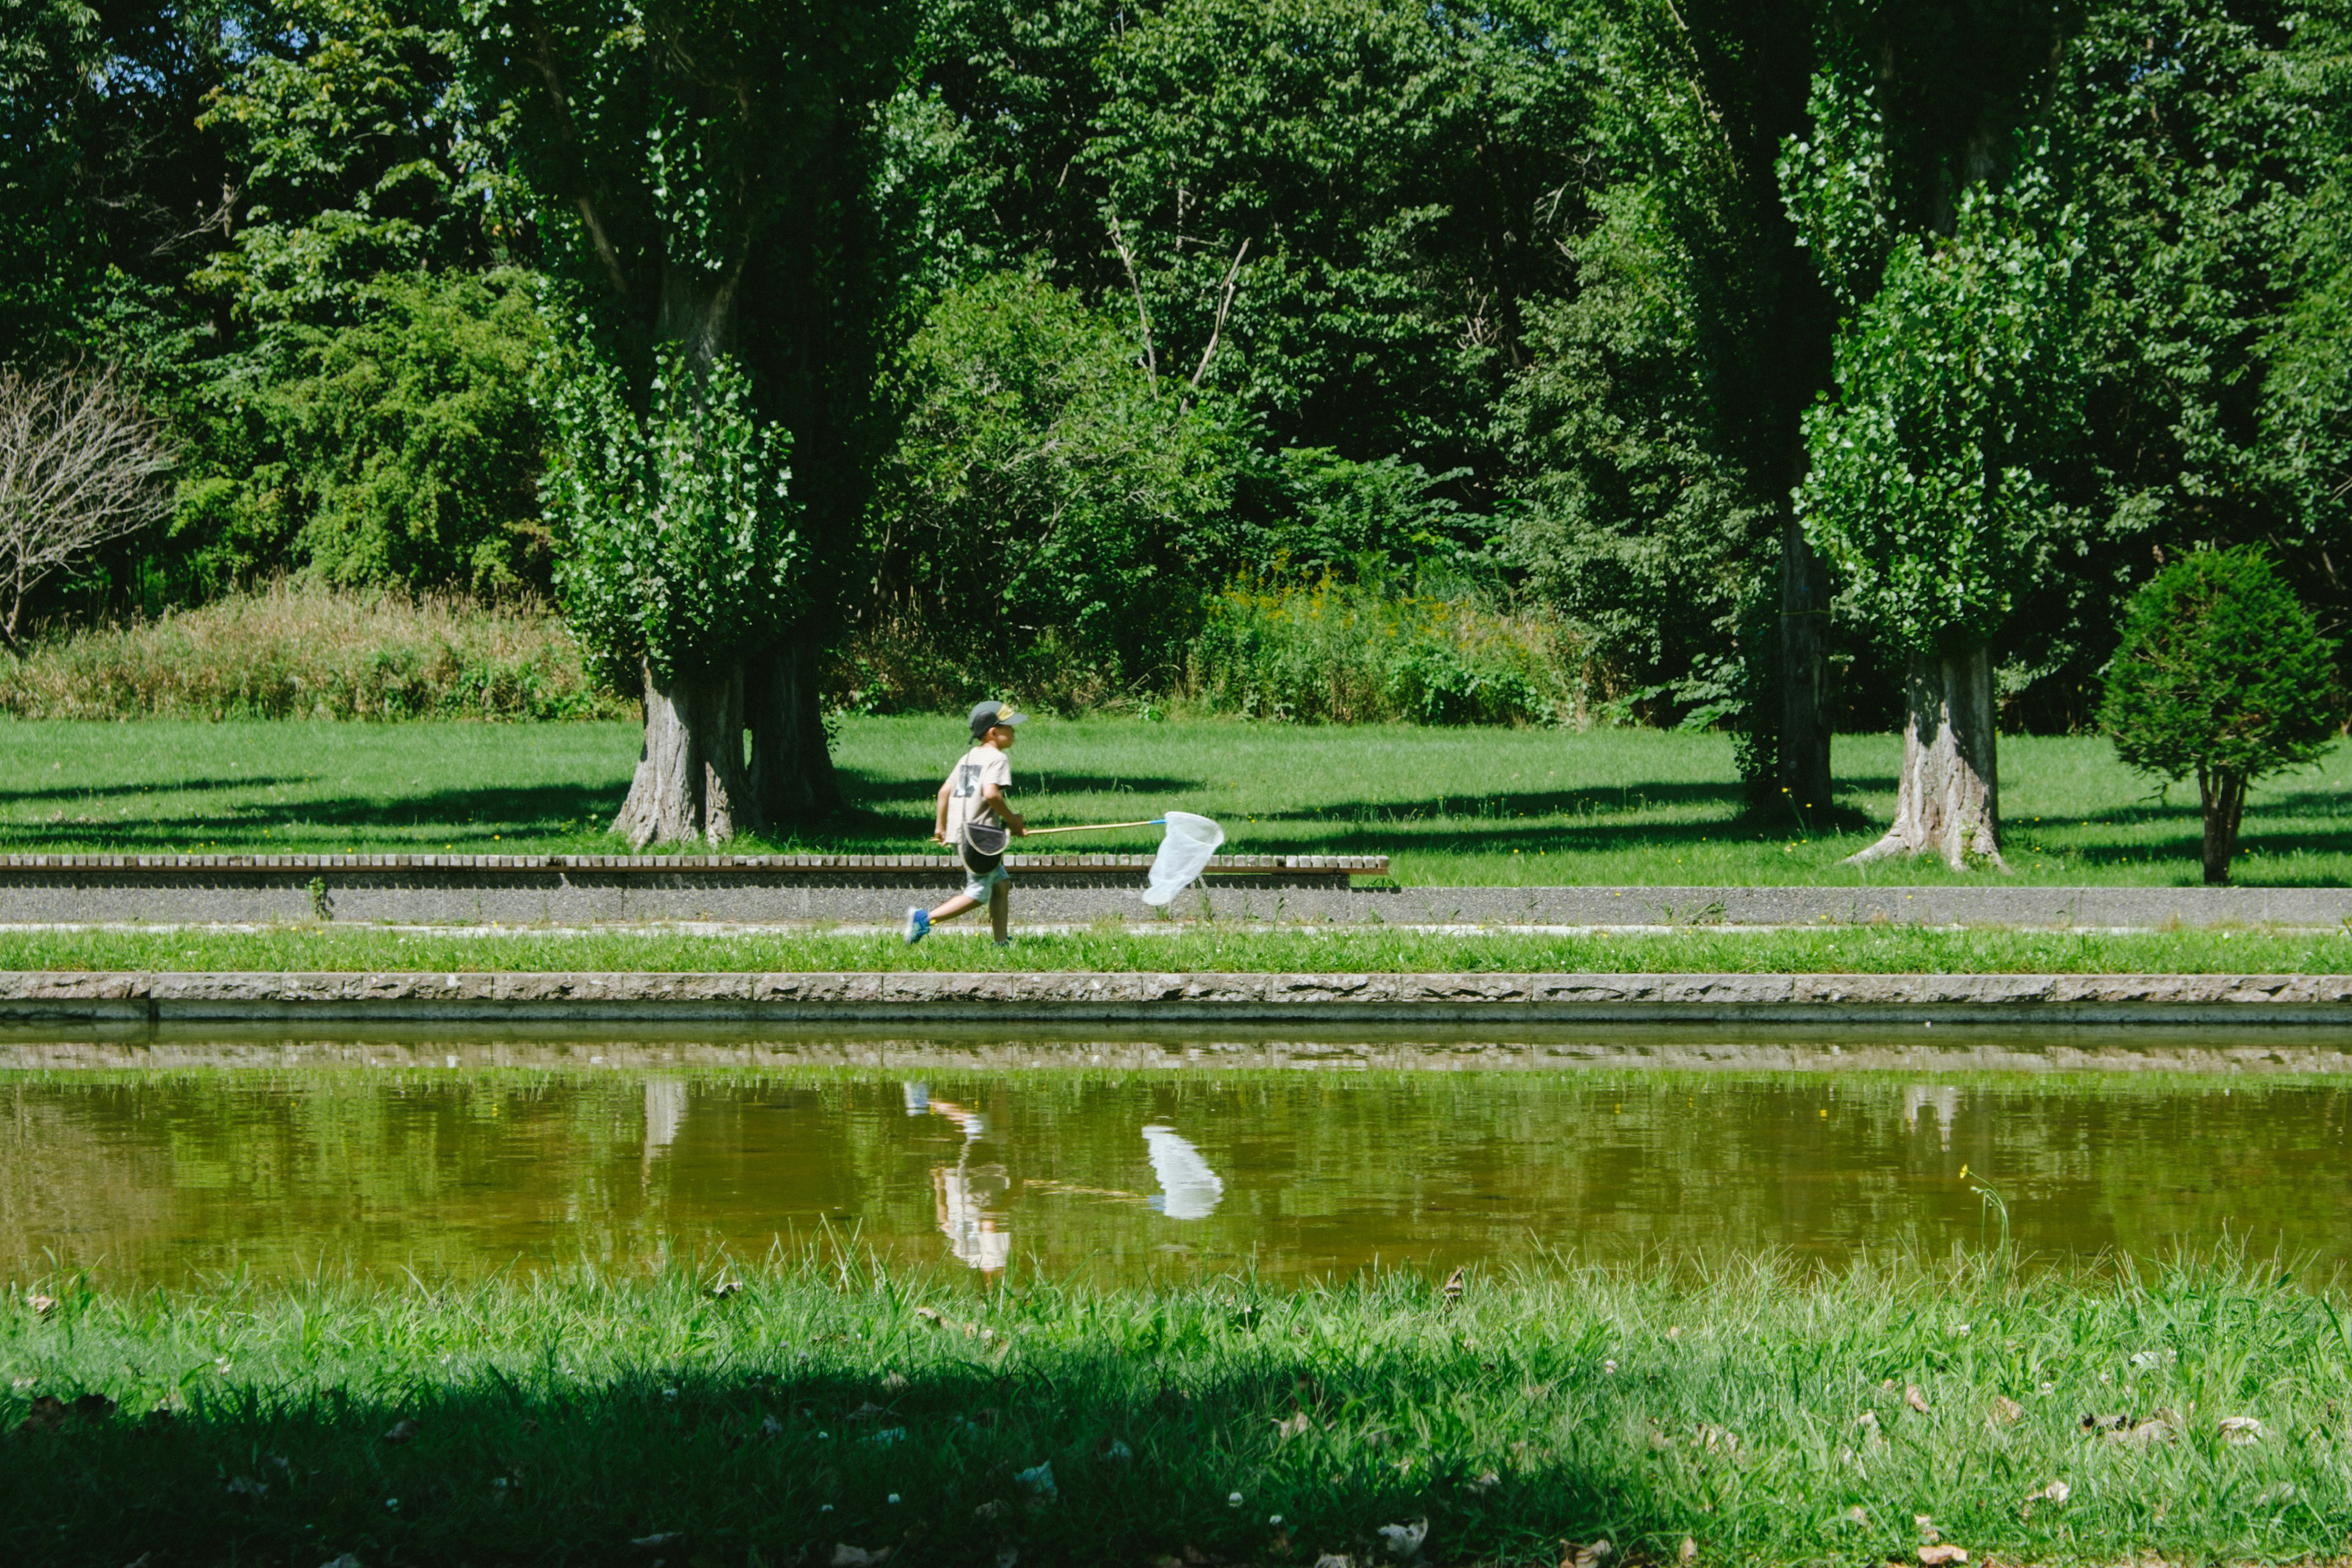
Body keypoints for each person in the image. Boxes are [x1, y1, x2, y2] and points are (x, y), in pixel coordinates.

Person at [906, 699, 1028, 945]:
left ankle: (1001, 942)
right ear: (994, 732)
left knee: (1001, 884)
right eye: (1010, 728)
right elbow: (991, 794)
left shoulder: (970, 757)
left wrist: (941, 827)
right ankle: (924, 919)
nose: (1014, 733)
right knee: (978, 893)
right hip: (979, 838)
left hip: (961, 832)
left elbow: (944, 792)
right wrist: (1013, 821)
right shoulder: (997, 759)